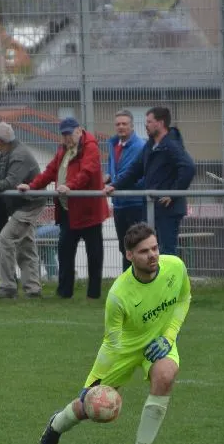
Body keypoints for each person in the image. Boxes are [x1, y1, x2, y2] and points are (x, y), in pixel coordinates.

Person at [38, 222, 191, 444]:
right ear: (129, 256)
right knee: (88, 407)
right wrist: (91, 383)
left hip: (159, 344)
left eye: (154, 248)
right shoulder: (118, 294)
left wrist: (169, 337)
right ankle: (56, 425)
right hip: (124, 349)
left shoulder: (175, 267)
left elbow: (184, 298)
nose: (152, 255)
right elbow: (111, 343)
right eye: (144, 251)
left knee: (166, 375)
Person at [17, 117, 108, 299]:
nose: (66, 138)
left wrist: (70, 187)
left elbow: (87, 173)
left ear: (79, 130)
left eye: (69, 134)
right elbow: (50, 171)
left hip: (89, 211)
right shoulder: (62, 149)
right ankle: (64, 292)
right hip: (68, 211)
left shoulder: (90, 147)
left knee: (94, 254)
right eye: (64, 135)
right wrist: (32, 185)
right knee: (65, 251)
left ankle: (94, 294)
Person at [105, 106, 196, 255]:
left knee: (166, 251)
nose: (145, 125)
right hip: (152, 206)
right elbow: (135, 170)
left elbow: (188, 167)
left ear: (160, 123)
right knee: (151, 248)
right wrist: (115, 185)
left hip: (168, 208)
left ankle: (169, 271)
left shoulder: (171, 145)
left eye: (149, 121)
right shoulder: (150, 145)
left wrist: (173, 193)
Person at [0, 122, 44, 299]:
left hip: (29, 204)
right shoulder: (8, 152)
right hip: (21, 205)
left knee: (5, 238)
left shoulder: (19, 155)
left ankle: (7, 286)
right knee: (25, 246)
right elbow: (0, 176)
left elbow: (10, 182)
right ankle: (33, 289)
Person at [107, 109, 147, 271]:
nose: (121, 127)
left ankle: (139, 277)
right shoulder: (113, 144)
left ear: (132, 126)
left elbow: (132, 174)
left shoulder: (140, 146)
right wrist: (107, 178)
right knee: (124, 247)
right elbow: (113, 169)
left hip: (135, 203)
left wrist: (114, 184)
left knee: (136, 245)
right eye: (118, 124)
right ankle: (128, 279)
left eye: (124, 124)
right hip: (118, 204)